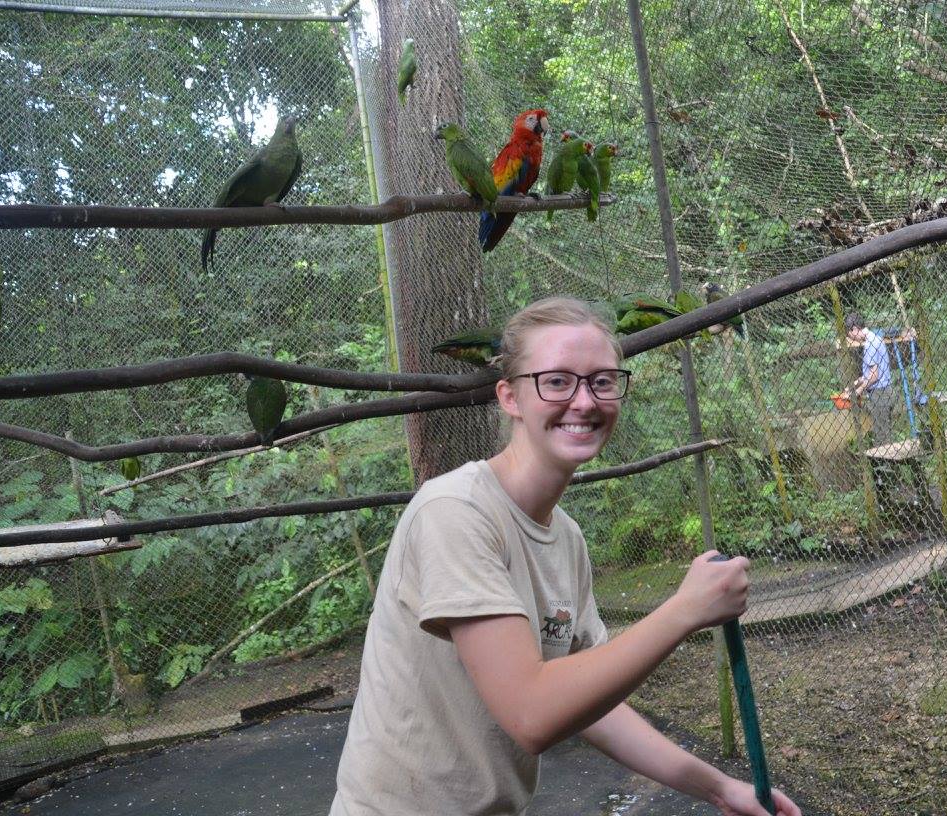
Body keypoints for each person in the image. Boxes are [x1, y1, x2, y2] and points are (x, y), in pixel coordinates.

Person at [330, 297, 800, 816]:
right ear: (510, 398)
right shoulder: (456, 511)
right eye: (556, 381)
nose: (584, 401)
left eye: (602, 381)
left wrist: (718, 788)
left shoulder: (566, 538)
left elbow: (590, 708)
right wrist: (684, 611)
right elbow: (533, 714)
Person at [844, 311, 896, 447]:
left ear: (854, 329)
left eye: (849, 334)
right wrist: (853, 385)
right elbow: (869, 373)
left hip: (881, 394)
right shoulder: (875, 338)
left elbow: (874, 375)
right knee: (885, 432)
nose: (851, 338)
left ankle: (886, 467)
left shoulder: (870, 345)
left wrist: (858, 391)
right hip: (886, 391)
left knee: (882, 438)